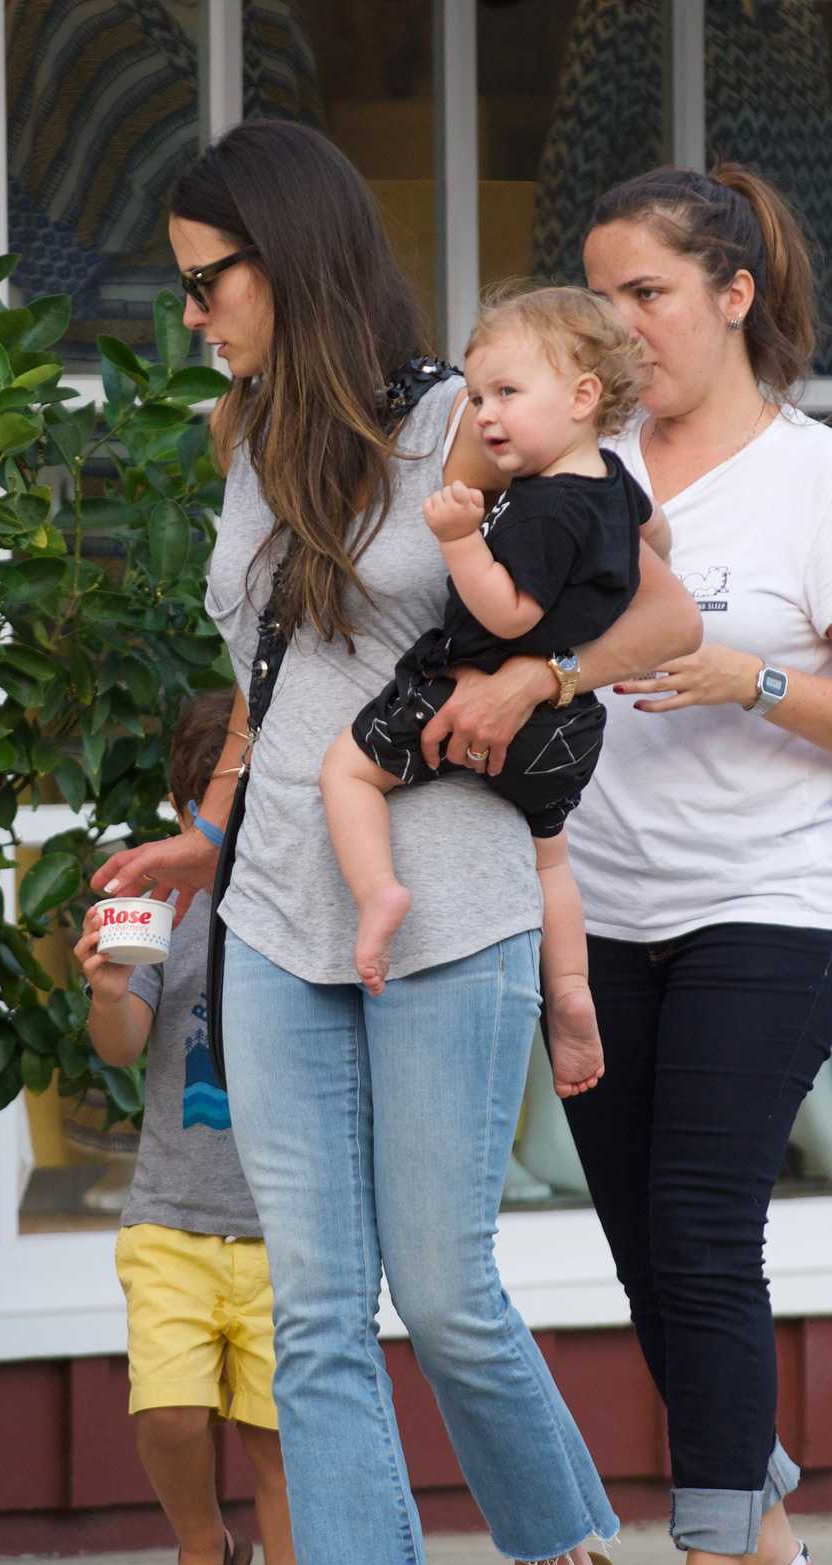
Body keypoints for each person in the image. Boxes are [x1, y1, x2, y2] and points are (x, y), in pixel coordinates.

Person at [92, 119, 700, 1565]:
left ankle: (559, 1559)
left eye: (209, 281)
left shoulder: (466, 416)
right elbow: (277, 682)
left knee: (444, 1291)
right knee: (313, 1310)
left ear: (287, 255)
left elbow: (663, 612)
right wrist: (213, 831)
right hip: (283, 910)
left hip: (445, 910)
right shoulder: (245, 436)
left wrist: (532, 677)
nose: (196, 314)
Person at [559, 162, 832, 1565]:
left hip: (768, 904)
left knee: (703, 1239)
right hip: (595, 909)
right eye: (598, 297)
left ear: (731, 296)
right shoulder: (584, 471)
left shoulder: (803, 482)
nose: (622, 325)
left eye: (647, 293)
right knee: (643, 1258)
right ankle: (777, 1534)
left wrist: (754, 683)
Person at [321, 286, 670, 1106]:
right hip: (570, 726)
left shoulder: (542, 507)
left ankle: (378, 893)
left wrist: (456, 538)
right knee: (551, 858)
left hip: (463, 697)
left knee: (346, 772)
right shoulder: (612, 481)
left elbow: (508, 608)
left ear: (584, 396)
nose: (484, 414)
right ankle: (573, 984)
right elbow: (659, 538)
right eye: (477, 396)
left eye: (508, 393)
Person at [75, 690, 313, 1565]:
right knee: (168, 1413)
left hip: (281, 1226)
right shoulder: (162, 907)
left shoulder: (305, 899)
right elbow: (124, 1046)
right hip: (171, 1211)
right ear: (186, 806)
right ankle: (200, 1545)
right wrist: (102, 986)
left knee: (275, 1437)